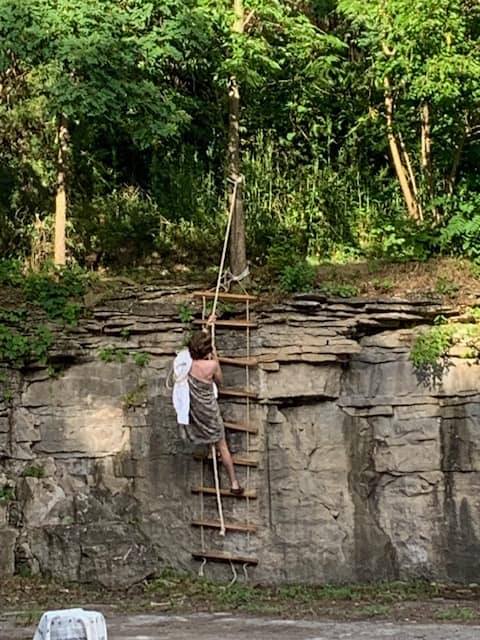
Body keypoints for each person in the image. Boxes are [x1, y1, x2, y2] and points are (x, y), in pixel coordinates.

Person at [185, 329, 244, 495]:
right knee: (222, 445)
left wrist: (205, 329)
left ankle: (206, 450)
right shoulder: (211, 365)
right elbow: (219, 381)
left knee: (203, 436)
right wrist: (215, 354)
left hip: (195, 410)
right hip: (209, 411)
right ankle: (234, 483)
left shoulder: (187, 364)